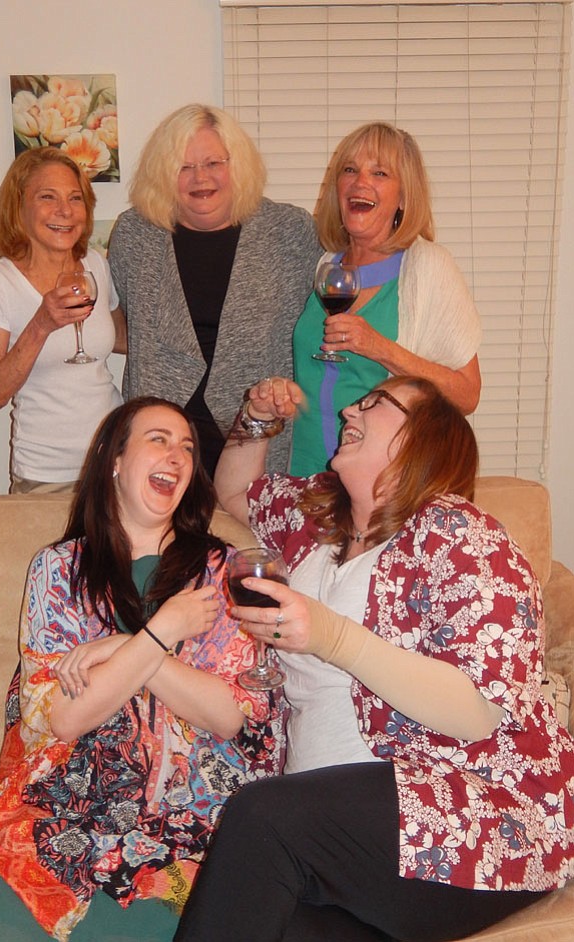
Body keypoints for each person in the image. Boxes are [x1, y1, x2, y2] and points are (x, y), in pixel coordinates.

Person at [174, 376, 574, 942]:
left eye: (375, 404)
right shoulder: (317, 526)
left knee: (259, 817)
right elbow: (237, 489)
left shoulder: (462, 538)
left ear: (422, 440)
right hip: (342, 842)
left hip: (473, 820)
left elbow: (481, 709)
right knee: (283, 924)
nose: (348, 411)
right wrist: (256, 417)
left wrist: (332, 636)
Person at [0, 397, 285, 942]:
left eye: (187, 447)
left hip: (181, 810)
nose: (177, 455)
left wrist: (122, 649)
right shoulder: (59, 570)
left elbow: (229, 715)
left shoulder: (223, 569)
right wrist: (159, 635)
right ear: (113, 459)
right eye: (158, 439)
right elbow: (63, 717)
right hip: (65, 796)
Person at [108, 103, 321, 477]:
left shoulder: (289, 232)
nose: (200, 178)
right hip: (161, 440)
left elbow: (314, 329)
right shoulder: (135, 234)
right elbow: (127, 323)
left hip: (256, 437)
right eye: (184, 167)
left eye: (213, 163)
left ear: (236, 165)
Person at [290, 121, 482, 475]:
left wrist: (379, 348)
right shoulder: (326, 265)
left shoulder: (427, 267)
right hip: (304, 477)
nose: (360, 182)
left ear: (404, 196)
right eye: (350, 170)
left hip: (381, 486)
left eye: (379, 173)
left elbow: (467, 395)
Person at [0, 146, 126, 493]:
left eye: (75, 198)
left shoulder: (95, 266)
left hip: (115, 463)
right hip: (47, 473)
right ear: (19, 207)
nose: (65, 211)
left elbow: (120, 337)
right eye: (47, 197)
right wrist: (42, 323)